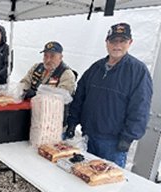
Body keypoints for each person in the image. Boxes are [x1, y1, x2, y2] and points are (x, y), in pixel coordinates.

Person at [63, 23, 153, 168]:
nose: (117, 45)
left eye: (122, 41)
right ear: (106, 42)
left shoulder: (138, 71)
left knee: (108, 182)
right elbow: (79, 96)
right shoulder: (95, 68)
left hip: (114, 143)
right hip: (88, 135)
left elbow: (140, 107)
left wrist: (128, 137)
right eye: (113, 41)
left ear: (130, 42)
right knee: (84, 174)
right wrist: (72, 122)